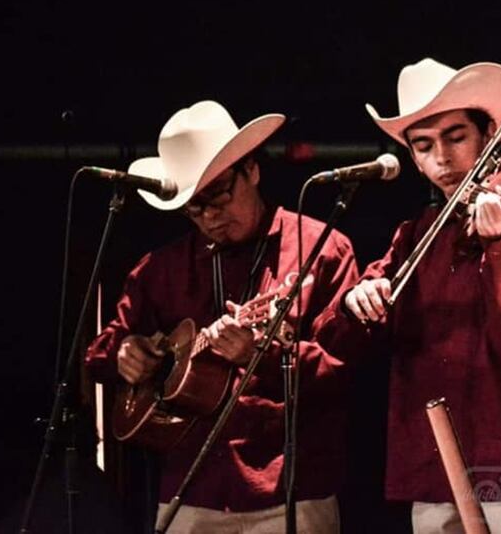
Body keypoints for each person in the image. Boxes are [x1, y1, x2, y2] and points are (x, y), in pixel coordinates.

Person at [323, 58, 501, 533]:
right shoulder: (415, 236)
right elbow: (337, 336)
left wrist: (500, 245)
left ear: (487, 137)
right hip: (430, 463)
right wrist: (360, 297)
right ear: (414, 159)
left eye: (456, 137)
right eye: (423, 146)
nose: (442, 157)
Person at [84, 100, 359, 533]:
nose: (209, 216)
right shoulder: (160, 268)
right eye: (194, 207)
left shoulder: (320, 248)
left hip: (289, 489)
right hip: (189, 490)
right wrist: (124, 352)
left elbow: (343, 369)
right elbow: (100, 352)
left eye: (219, 195)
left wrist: (261, 355)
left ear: (252, 170)